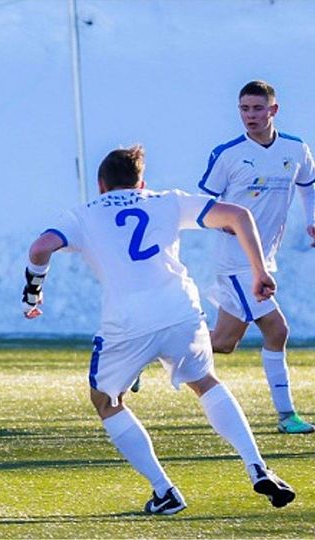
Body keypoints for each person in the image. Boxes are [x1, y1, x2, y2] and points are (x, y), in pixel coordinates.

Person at [23, 145, 295, 514]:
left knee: (105, 401)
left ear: (101, 185)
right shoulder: (167, 200)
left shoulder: (83, 214)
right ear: (141, 183)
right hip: (180, 311)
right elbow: (238, 215)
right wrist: (260, 272)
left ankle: (164, 490)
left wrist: (33, 290)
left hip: (127, 324)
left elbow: (40, 248)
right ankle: (257, 466)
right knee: (207, 383)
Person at [197, 80, 315, 434]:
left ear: (273, 110)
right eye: (244, 109)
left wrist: (312, 222)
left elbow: (308, 186)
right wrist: (226, 226)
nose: (250, 115)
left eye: (257, 108)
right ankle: (286, 415)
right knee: (277, 329)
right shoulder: (228, 154)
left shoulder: (295, 150)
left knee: (223, 343)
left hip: (265, 259)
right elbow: (205, 208)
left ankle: (156, 345)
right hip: (236, 261)